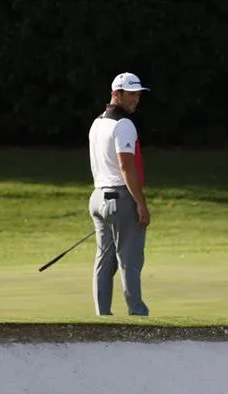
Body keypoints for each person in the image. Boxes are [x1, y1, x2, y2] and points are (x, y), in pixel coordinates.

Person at [87, 72, 151, 316]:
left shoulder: (97, 122)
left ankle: (102, 315)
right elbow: (126, 167)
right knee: (130, 260)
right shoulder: (124, 125)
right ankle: (137, 313)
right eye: (131, 94)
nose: (136, 99)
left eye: (138, 94)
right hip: (121, 197)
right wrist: (140, 204)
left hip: (98, 197)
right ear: (117, 94)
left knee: (105, 259)